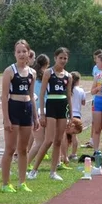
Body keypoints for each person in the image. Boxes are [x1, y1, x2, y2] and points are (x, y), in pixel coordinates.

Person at [0, 40, 39, 194]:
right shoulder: (10, 71)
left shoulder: (32, 72)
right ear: (15, 54)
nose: (22, 54)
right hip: (13, 107)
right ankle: (5, 183)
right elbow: (4, 96)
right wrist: (6, 118)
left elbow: (31, 95)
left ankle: (22, 182)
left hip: (27, 109)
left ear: (29, 53)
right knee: (10, 148)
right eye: (19, 51)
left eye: (24, 51)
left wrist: (35, 117)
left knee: (23, 149)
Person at [30, 47, 71, 181]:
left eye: (65, 58)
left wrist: (70, 115)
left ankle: (53, 172)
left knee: (59, 141)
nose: (63, 60)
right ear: (55, 58)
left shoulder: (68, 76)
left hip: (62, 107)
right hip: (51, 106)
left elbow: (69, 96)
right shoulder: (49, 72)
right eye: (61, 58)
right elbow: (42, 94)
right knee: (48, 140)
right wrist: (42, 114)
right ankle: (34, 170)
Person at [65, 71, 86, 165]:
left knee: (65, 136)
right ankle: (74, 153)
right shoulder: (81, 90)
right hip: (77, 114)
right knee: (74, 136)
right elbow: (83, 102)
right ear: (78, 80)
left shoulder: (67, 89)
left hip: (68, 113)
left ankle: (64, 154)